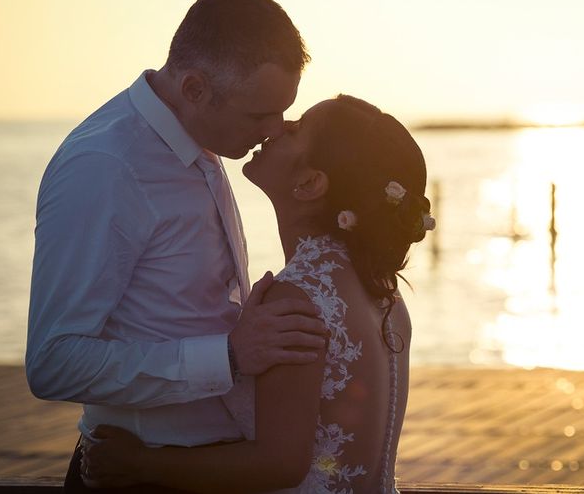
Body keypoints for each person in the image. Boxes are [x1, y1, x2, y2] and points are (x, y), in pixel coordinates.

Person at [25, 0, 329, 492]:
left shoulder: (204, 140)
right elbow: (53, 363)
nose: (276, 130)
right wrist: (228, 356)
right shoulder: (106, 167)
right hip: (136, 474)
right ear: (194, 88)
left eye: (282, 111)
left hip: (209, 470)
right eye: (260, 115)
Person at [80, 95, 434, 493]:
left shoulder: (295, 300)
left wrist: (138, 463)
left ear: (308, 183)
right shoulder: (384, 292)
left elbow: (279, 464)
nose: (277, 126)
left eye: (297, 127)